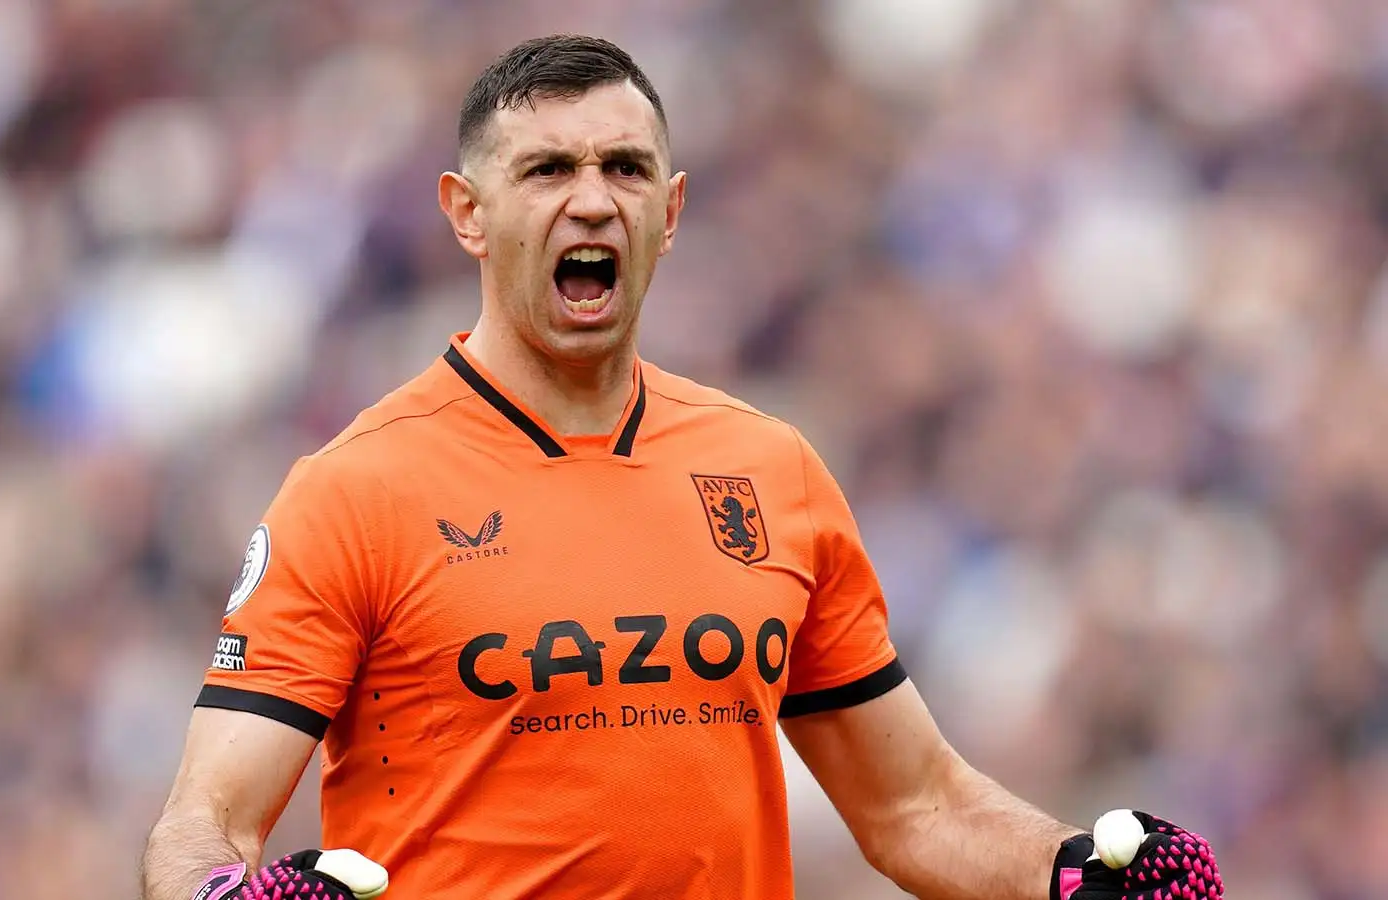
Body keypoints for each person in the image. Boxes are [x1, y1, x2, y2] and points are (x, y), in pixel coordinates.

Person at [140, 34, 1225, 900]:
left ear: (671, 210)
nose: (593, 198)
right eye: (547, 169)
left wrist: (1075, 876)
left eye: (624, 167)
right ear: (466, 214)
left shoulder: (771, 472)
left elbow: (914, 809)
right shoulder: (353, 491)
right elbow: (203, 824)